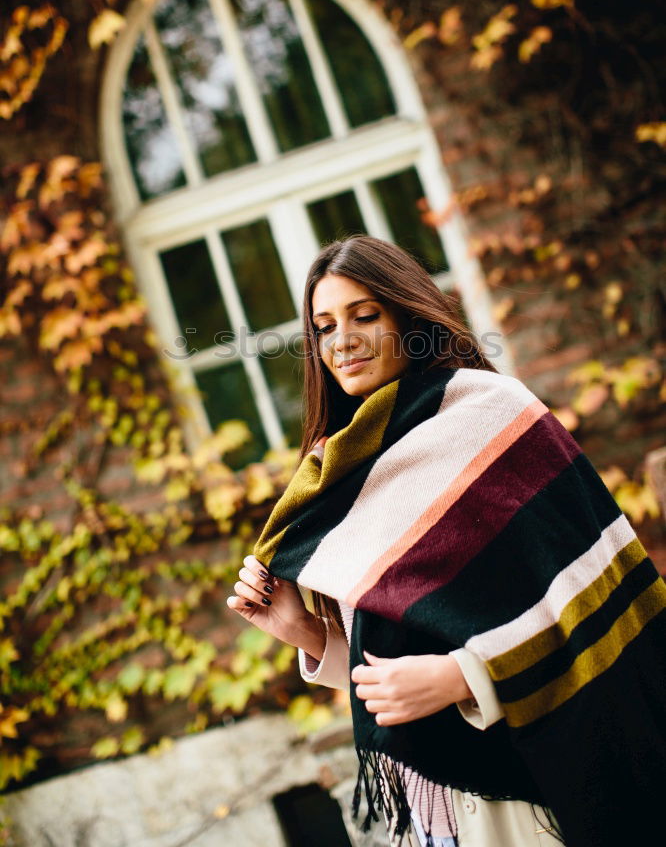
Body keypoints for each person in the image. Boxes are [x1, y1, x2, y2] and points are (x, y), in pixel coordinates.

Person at [227, 235, 666, 847]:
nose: (342, 341)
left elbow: (592, 596)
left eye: (364, 316)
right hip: (431, 809)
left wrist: (464, 677)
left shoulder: (493, 416)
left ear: (408, 316)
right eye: (324, 327)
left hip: (531, 787)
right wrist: (306, 635)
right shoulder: (341, 472)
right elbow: (396, 657)